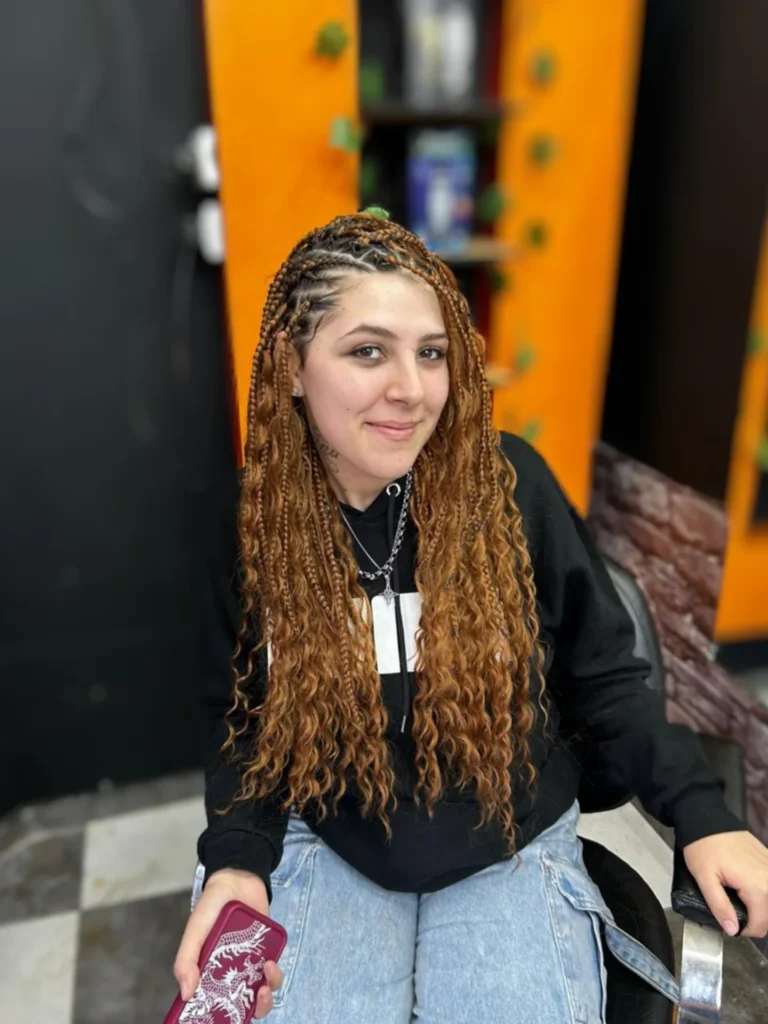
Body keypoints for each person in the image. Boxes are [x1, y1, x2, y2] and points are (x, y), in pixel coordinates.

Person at [174, 211, 768, 1023]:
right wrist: (239, 860)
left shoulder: (509, 491)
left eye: (432, 353)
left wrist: (699, 812)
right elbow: (241, 724)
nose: (411, 390)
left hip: (509, 836)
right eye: (367, 351)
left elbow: (606, 680)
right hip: (333, 833)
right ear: (291, 366)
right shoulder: (256, 526)